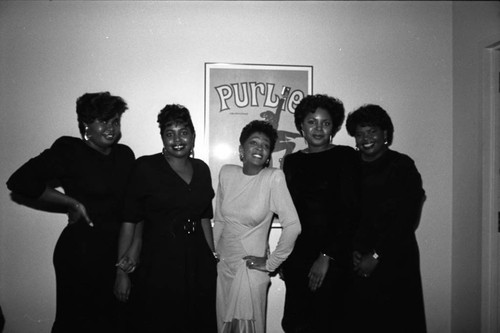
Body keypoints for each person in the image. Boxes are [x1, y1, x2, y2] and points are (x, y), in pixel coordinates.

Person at [6, 92, 135, 332]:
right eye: (103, 121)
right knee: (79, 323)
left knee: (117, 322)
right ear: (86, 123)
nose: (111, 127)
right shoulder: (70, 150)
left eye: (115, 121)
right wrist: (71, 203)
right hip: (81, 253)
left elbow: (133, 209)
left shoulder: (125, 155)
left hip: (116, 251)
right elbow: (19, 181)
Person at [114, 104, 218, 333]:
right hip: (159, 264)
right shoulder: (145, 167)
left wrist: (212, 257)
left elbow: (204, 218)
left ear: (193, 135)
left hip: (197, 263)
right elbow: (129, 221)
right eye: (169, 133)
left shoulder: (202, 169)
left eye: (183, 132)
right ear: (162, 138)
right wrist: (121, 272)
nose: (177, 139)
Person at [280, 94, 360, 333]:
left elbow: (350, 211)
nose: (318, 128)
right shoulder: (291, 161)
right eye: (312, 122)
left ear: (333, 127)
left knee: (326, 322)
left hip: (332, 256)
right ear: (301, 126)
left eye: (325, 123)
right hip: (298, 255)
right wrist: (285, 256)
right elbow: (289, 213)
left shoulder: (346, 156)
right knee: (296, 323)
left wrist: (326, 256)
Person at [345, 104, 426, 333]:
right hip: (357, 262)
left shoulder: (402, 165)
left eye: (372, 131)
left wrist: (377, 255)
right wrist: (351, 250)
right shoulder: (349, 167)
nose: (365, 138)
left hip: (395, 259)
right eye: (360, 134)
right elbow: (344, 213)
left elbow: (407, 218)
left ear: (385, 134)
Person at [214, 120, 301, 333]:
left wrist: (272, 263)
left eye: (265, 145)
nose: (259, 148)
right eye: (254, 142)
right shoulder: (226, 173)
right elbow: (220, 219)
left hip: (250, 269)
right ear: (241, 149)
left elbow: (293, 225)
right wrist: (213, 254)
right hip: (224, 267)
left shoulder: (273, 178)